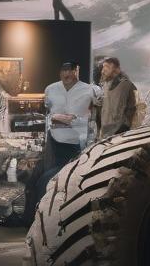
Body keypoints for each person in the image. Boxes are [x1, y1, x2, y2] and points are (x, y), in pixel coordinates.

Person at [36, 62, 101, 201]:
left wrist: (76, 121)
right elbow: (45, 111)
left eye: (71, 70)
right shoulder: (51, 89)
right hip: (56, 141)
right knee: (53, 177)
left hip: (79, 142)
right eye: (64, 70)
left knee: (74, 176)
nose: (67, 74)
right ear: (60, 72)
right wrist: (54, 117)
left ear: (77, 71)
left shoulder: (90, 90)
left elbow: (97, 116)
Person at [98, 56, 137, 138]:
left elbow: (132, 108)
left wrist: (125, 126)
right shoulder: (104, 86)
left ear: (117, 69)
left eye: (107, 67)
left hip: (121, 133)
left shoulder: (127, 85)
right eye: (103, 67)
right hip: (105, 133)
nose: (103, 70)